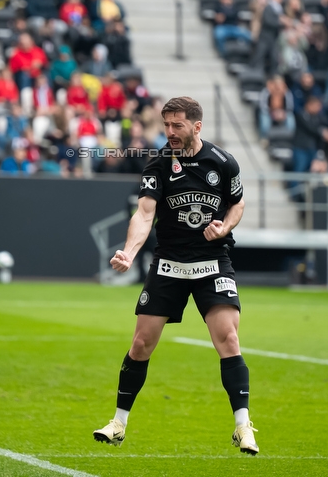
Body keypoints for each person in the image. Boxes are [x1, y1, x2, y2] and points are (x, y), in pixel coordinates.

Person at [92, 97, 257, 455]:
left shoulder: (224, 163)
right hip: (169, 263)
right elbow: (145, 213)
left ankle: (243, 426)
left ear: (197, 126)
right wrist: (130, 251)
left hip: (212, 262)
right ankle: (118, 423)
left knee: (228, 339)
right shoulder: (157, 165)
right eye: (166, 125)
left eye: (177, 125)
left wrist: (225, 226)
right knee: (140, 345)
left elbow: (238, 202)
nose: (170, 132)